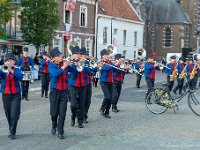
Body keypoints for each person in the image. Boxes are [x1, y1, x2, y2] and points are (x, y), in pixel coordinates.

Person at [0, 53, 23, 140]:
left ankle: (13, 132)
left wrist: (11, 71)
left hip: (16, 95)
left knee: (15, 114)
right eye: (8, 61)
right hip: (5, 95)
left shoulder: (17, 69)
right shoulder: (3, 69)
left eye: (11, 60)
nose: (10, 62)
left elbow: (20, 76)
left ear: (14, 61)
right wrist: (4, 68)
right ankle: (11, 129)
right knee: (8, 114)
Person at [49, 47, 70, 139]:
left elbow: (75, 71)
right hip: (54, 91)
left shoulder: (64, 64)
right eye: (59, 56)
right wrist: (64, 66)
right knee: (54, 113)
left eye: (61, 55)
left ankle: (61, 131)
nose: (61, 57)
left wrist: (73, 63)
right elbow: (55, 74)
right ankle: (54, 125)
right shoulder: (51, 65)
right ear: (54, 58)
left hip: (64, 91)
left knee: (62, 113)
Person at [69, 46, 92, 128]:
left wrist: (84, 62)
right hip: (73, 84)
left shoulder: (85, 62)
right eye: (77, 54)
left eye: (79, 54)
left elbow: (89, 71)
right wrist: (73, 61)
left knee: (82, 103)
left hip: (83, 84)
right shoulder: (70, 62)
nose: (79, 55)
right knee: (74, 105)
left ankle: (80, 121)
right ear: (73, 55)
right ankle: (73, 116)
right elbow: (72, 71)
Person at [98, 49, 114, 118]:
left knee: (110, 98)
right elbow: (106, 68)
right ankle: (102, 108)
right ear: (102, 56)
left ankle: (107, 112)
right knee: (107, 96)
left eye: (108, 54)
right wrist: (112, 64)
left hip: (110, 81)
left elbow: (115, 69)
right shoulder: (100, 63)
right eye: (106, 55)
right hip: (103, 81)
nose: (107, 56)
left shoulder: (109, 62)